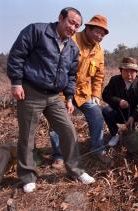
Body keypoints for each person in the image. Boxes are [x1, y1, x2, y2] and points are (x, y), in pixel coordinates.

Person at [6, 7, 95, 193]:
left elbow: (71, 75)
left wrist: (69, 98)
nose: (73, 28)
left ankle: (76, 170)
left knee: (68, 130)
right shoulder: (37, 31)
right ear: (60, 18)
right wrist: (16, 82)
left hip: (54, 96)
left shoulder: (72, 47)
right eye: (71, 22)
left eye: (77, 26)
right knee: (28, 135)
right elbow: (17, 55)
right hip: (31, 91)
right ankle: (28, 176)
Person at [49, 15, 109, 168]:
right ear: (87, 28)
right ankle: (59, 155)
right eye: (97, 32)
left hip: (83, 92)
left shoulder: (99, 51)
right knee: (57, 120)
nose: (100, 37)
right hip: (62, 90)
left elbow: (99, 75)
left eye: (103, 34)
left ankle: (98, 149)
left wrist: (96, 94)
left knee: (96, 114)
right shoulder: (71, 40)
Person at [102, 57, 138, 147]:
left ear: (136, 72)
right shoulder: (115, 80)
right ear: (121, 71)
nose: (129, 74)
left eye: (132, 71)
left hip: (136, 114)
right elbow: (105, 95)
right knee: (106, 111)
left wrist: (133, 116)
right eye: (126, 71)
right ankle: (115, 134)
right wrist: (119, 101)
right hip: (119, 113)